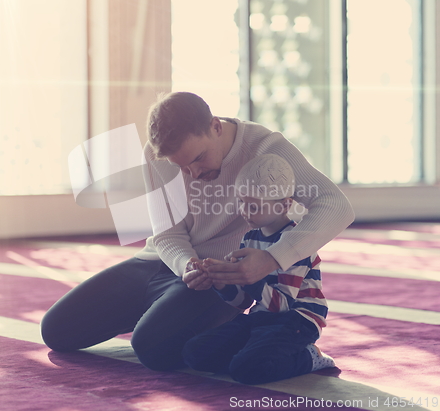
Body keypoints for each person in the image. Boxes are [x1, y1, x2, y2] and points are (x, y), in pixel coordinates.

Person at [40, 92, 354, 372]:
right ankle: (166, 312)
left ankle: (270, 340)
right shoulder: (155, 155)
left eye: (198, 158)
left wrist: (272, 259)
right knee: (57, 330)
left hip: (222, 278)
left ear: (215, 126)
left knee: (153, 350)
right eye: (182, 167)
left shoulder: (264, 147)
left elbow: (336, 205)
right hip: (167, 264)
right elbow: (167, 235)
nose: (194, 174)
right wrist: (186, 266)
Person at [182, 154, 335, 385]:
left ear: (285, 204)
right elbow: (243, 301)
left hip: (297, 321)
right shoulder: (250, 238)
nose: (245, 211)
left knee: (248, 369)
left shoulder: (295, 243)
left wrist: (248, 277)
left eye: (253, 206)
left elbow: (282, 305)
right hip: (263, 317)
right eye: (242, 202)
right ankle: (249, 355)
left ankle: (309, 357)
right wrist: (221, 281)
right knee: (194, 353)